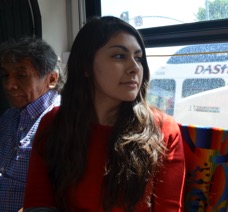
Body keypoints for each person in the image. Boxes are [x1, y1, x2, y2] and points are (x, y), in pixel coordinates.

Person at [23, 16, 186, 211]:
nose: (135, 67)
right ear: (85, 66)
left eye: (139, 58)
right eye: (119, 56)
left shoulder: (163, 129)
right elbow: (39, 202)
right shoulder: (54, 123)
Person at [0, 36, 62, 212]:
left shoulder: (63, 120)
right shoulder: (8, 117)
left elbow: (64, 194)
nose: (9, 85)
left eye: (21, 75)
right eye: (5, 75)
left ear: (51, 79)